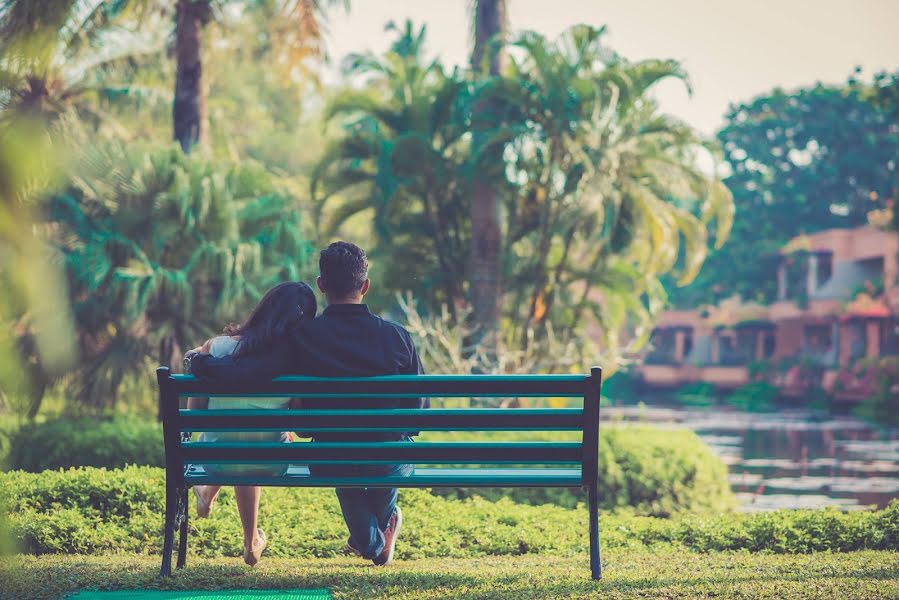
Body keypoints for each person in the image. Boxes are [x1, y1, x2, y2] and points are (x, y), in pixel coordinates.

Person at [187, 241, 426, 567]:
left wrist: (202, 365)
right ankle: (378, 536)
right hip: (388, 456)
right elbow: (418, 410)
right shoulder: (398, 337)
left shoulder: (304, 337)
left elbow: (252, 373)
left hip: (332, 456)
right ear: (365, 286)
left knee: (350, 477)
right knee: (386, 463)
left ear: (322, 285)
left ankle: (374, 542)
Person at [184, 281, 317, 567]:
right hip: (271, 462)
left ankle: (209, 497)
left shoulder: (215, 348)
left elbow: (195, 414)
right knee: (255, 443)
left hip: (214, 460)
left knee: (233, 441)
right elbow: (299, 423)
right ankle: (250, 542)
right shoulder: (296, 362)